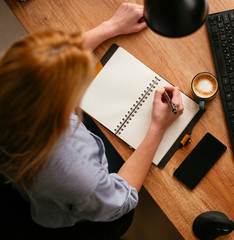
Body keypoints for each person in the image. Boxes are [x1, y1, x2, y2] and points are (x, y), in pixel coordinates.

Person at [0, 3, 183, 239]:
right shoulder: (74, 171)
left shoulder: (10, 85)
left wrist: (111, 26)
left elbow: (48, 62)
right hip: (88, 214)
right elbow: (122, 199)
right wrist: (158, 127)